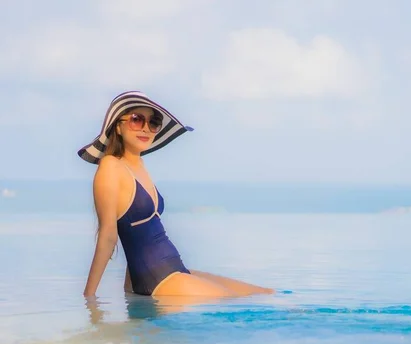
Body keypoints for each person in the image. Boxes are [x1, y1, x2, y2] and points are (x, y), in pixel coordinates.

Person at [78, 91, 274, 298]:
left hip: (172, 270)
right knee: (239, 305)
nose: (146, 128)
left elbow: (138, 229)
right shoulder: (111, 166)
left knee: (264, 293)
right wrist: (89, 297)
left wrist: (132, 288)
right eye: (137, 120)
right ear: (118, 125)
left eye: (153, 122)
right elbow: (109, 235)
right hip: (159, 277)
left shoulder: (139, 165)